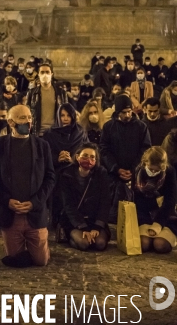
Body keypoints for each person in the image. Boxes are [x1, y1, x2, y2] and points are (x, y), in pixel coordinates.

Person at [0, 104, 55, 268]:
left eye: (29, 117)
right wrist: (6, 200)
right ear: (11, 122)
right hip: (11, 213)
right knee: (14, 258)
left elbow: (50, 177)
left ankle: (38, 248)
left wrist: (35, 203)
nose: (28, 122)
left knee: (41, 261)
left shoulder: (42, 145)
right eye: (22, 118)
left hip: (34, 212)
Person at [100, 94, 151, 222]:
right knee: (113, 214)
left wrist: (133, 169)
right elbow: (104, 150)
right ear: (117, 112)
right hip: (114, 175)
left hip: (136, 175)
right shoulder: (108, 127)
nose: (127, 115)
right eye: (124, 112)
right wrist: (116, 168)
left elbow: (145, 149)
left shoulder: (141, 127)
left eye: (129, 111)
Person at [59, 143, 110, 251]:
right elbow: (68, 205)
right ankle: (70, 238)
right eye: (85, 156)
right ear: (77, 157)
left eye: (92, 157)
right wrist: (83, 227)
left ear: (96, 160)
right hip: (74, 220)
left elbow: (105, 201)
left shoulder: (101, 173)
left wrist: (97, 226)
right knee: (84, 243)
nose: (88, 159)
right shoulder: (67, 175)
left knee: (100, 243)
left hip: (94, 219)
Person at [133, 146, 177, 253]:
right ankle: (152, 239)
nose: (153, 172)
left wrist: (157, 225)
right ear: (145, 163)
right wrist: (156, 202)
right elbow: (137, 201)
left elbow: (170, 202)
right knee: (144, 244)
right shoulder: (138, 172)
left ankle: (161, 238)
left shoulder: (169, 172)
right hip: (144, 214)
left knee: (160, 245)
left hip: (166, 217)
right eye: (150, 168)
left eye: (157, 170)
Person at [26, 63, 67, 136]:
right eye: (42, 72)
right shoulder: (31, 93)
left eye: (47, 72)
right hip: (37, 132)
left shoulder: (61, 93)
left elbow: (66, 112)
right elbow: (27, 113)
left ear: (51, 74)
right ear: (38, 74)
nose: (45, 74)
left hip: (55, 132)